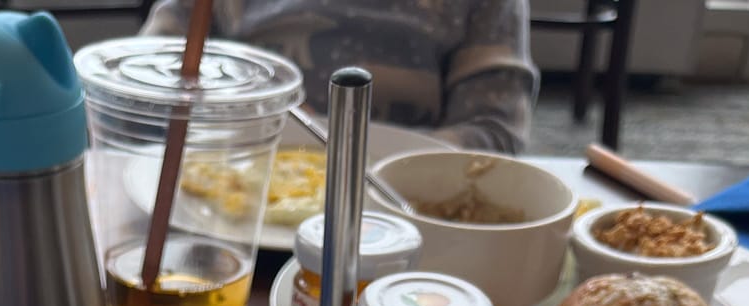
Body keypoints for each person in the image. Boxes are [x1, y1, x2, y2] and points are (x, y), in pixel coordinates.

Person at [141, 0, 538, 155]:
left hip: (406, 214)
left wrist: (362, 155)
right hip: (229, 185)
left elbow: (495, 134)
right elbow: (149, 78)